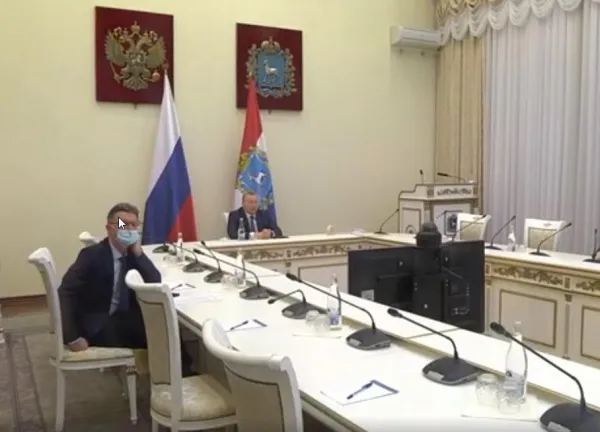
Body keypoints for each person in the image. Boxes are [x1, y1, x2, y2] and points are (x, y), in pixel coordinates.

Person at [58, 202, 194, 374]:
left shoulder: (131, 254)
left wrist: (138, 252)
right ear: (109, 228)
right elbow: (65, 292)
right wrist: (71, 336)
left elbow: (154, 281)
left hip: (122, 317)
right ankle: (175, 375)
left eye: (134, 225)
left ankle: (178, 373)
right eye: (123, 225)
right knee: (160, 331)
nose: (129, 229)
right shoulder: (92, 255)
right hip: (98, 323)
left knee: (164, 322)